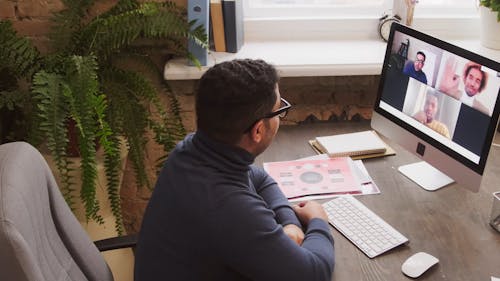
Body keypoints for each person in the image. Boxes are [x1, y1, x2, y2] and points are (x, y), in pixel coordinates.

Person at [134, 59, 335, 281]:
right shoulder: (228, 206)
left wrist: (290, 223)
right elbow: (314, 273)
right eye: (279, 110)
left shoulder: (192, 149)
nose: (279, 117)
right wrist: (318, 220)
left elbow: (259, 178)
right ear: (258, 130)